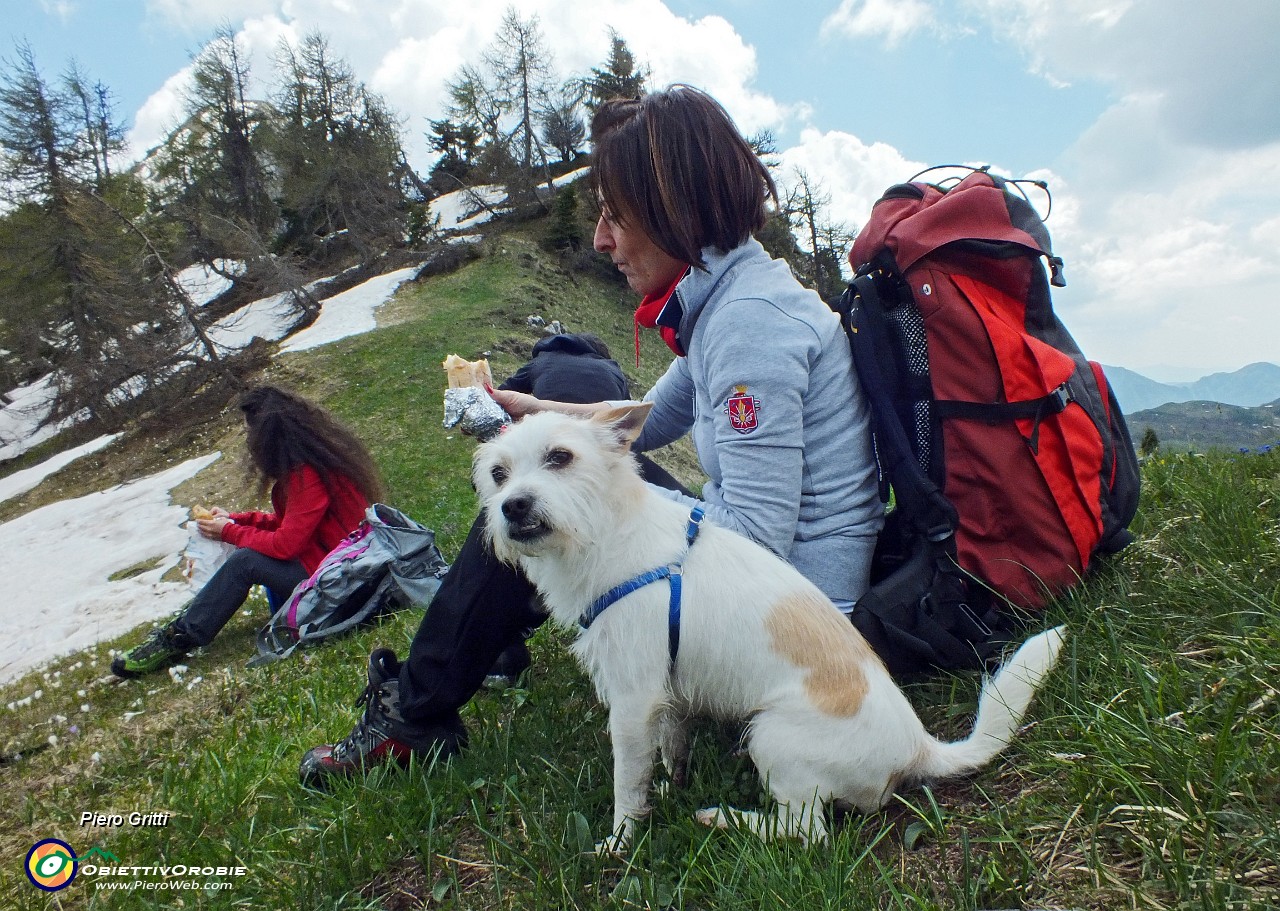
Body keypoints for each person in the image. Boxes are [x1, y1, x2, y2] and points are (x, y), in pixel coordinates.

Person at [298, 84, 883, 786]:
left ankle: (415, 715)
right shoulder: (730, 298)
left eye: (615, 216)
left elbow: (756, 535)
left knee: (547, 490)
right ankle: (487, 643)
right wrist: (529, 409)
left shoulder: (749, 322)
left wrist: (561, 474)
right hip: (784, 584)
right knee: (548, 464)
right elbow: (649, 416)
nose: (601, 239)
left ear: (674, 207)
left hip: (796, 618)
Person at [112, 385, 381, 678]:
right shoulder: (312, 466)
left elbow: (286, 545)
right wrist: (236, 520)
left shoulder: (308, 475)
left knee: (246, 562)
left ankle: (180, 636)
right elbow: (292, 525)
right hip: (342, 570)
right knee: (251, 552)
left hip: (345, 583)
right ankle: (190, 623)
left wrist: (230, 531)